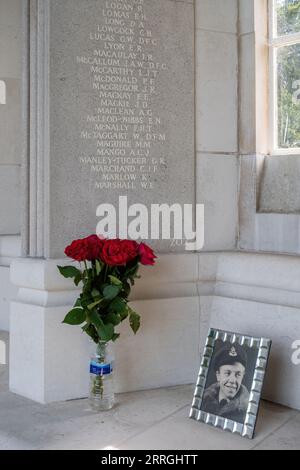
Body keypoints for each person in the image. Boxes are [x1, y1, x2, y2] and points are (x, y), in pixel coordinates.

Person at [201, 342, 250, 423]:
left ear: (243, 376)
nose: (232, 380)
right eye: (227, 373)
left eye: (238, 374)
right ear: (218, 375)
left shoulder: (247, 410)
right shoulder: (204, 399)